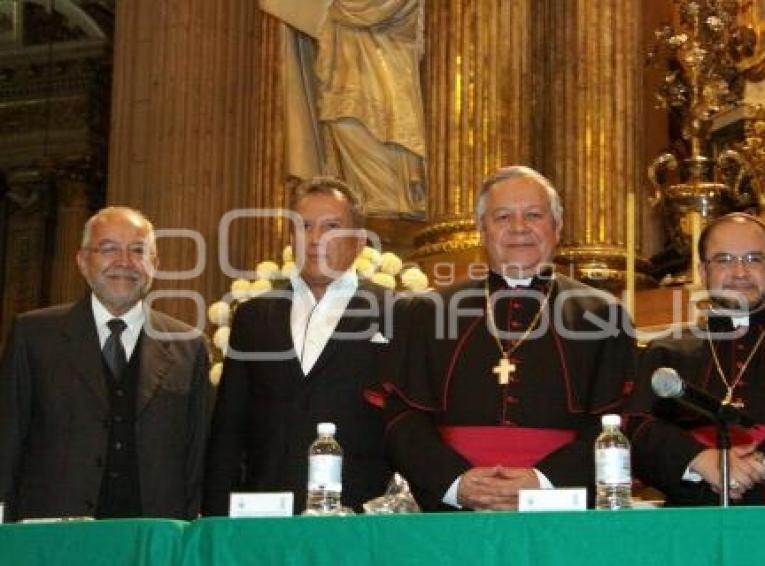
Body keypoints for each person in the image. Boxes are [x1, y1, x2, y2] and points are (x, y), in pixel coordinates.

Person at [378, 165, 634, 511]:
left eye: (533, 215)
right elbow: (402, 416)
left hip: (564, 508)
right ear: (482, 231)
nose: (519, 228)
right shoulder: (427, 311)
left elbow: (618, 420)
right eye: (502, 217)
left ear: (557, 228)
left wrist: (544, 482)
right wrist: (456, 482)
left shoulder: (604, 315)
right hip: (451, 511)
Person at [0, 206, 210, 521]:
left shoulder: (189, 346)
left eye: (138, 250)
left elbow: (197, 457)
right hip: (55, 538)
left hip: (153, 539)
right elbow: (7, 441)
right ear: (83, 262)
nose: (124, 262)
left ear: (154, 264)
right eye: (109, 248)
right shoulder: (34, 336)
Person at [627, 212, 765, 505]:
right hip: (690, 516)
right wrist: (700, 462)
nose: (740, 272)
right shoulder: (666, 351)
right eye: (724, 260)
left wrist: (762, 466)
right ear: (703, 272)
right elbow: (638, 427)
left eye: (754, 259)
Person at [202, 177, 394, 515]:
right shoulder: (253, 317)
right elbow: (229, 429)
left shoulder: (397, 313)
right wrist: (217, 518)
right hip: (266, 515)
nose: (317, 238)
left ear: (359, 241)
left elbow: (408, 426)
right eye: (304, 226)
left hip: (363, 517)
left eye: (331, 226)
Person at [259, 0, 427, 218]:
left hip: (384, 77)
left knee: (385, 188)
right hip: (345, 74)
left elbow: (379, 8)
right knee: (348, 130)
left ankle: (382, 222)